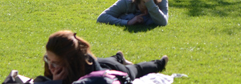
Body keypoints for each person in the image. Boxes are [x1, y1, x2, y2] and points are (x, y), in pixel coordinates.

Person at [36, 30, 168, 84]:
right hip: (101, 62)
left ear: (70, 62)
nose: (51, 66)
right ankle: (118, 56)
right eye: (48, 60)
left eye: (56, 63)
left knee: (135, 69)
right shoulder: (54, 65)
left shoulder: (89, 67)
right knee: (110, 59)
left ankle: (159, 63)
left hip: (109, 70)